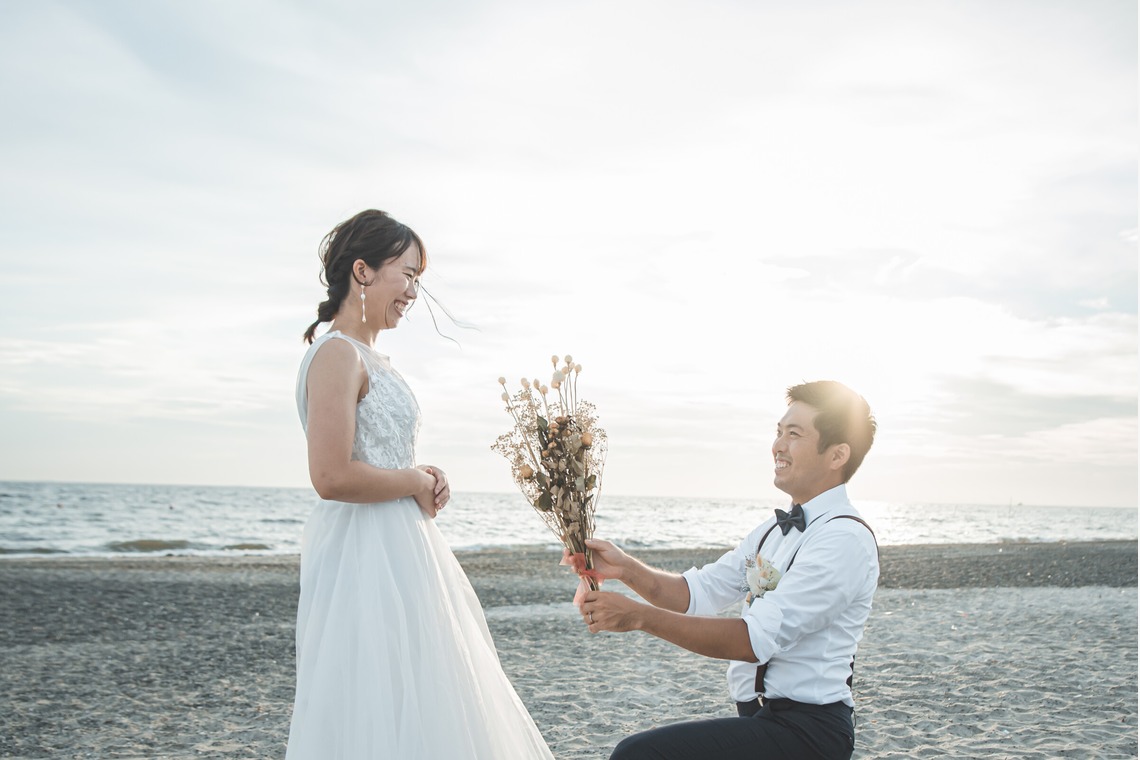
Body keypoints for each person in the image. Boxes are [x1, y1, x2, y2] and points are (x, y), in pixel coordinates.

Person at [286, 209, 553, 759]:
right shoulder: (335, 354)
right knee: (372, 695)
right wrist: (410, 479)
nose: (413, 292)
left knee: (423, 692)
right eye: (406, 274)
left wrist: (422, 475)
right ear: (362, 271)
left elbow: (374, 455)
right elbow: (330, 475)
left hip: (401, 549)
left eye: (417, 278)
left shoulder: (370, 357)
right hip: (363, 555)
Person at [575, 380, 878, 760]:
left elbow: (752, 641)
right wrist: (626, 568)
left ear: (837, 455)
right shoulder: (772, 530)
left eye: (794, 434)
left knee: (639, 754)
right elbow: (698, 592)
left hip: (808, 733)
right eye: (779, 432)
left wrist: (637, 617)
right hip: (760, 719)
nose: (778, 445)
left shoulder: (844, 540)